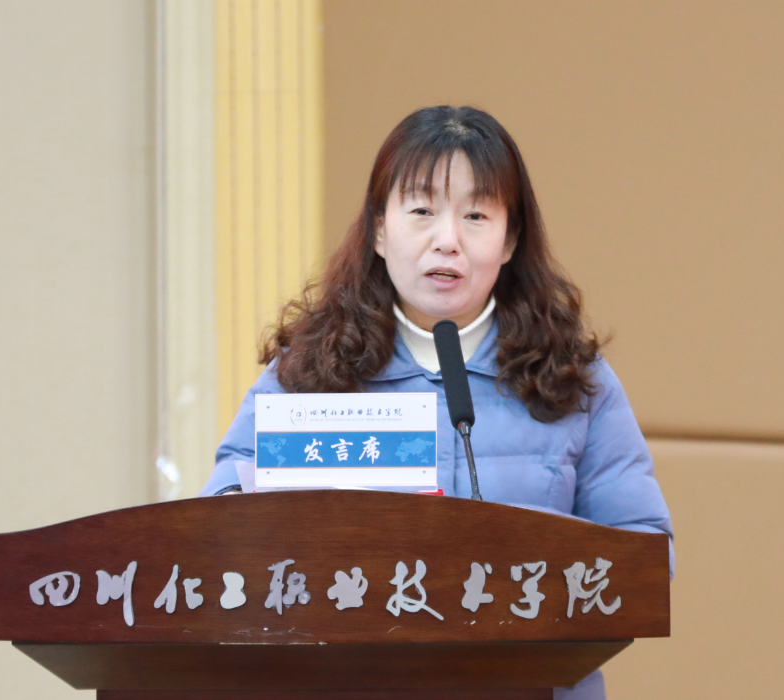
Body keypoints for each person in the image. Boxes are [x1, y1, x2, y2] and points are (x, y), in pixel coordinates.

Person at [201, 105, 673, 700]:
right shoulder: (310, 371)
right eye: (422, 211)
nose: (447, 240)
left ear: (510, 240)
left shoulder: (571, 378)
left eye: (475, 215)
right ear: (379, 229)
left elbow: (643, 557)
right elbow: (221, 530)